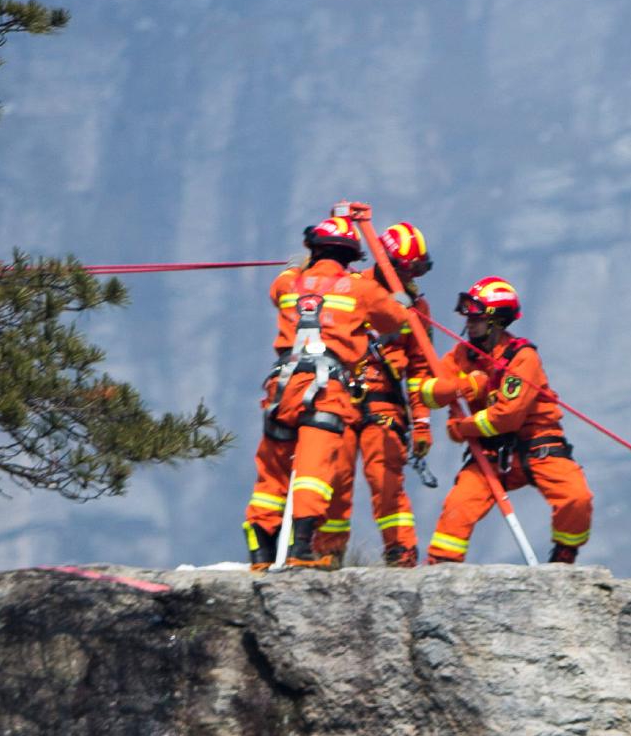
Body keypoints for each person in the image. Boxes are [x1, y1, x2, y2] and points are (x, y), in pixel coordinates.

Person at [244, 214, 411, 570]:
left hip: (282, 387)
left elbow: (280, 286)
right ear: (351, 255)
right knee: (313, 469)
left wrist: (294, 266)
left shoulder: (290, 283)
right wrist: (401, 300)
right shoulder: (360, 289)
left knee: (271, 471)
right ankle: (301, 547)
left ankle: (260, 553)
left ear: (314, 247)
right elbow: (396, 320)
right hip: (326, 389)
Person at [415, 277, 594, 566]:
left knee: (576, 498)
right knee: (458, 506)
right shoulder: (462, 355)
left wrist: (462, 428)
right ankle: (440, 567)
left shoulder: (522, 358)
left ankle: (564, 556)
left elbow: (506, 418)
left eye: (476, 318)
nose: (468, 323)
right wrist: (465, 387)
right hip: (490, 454)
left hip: (540, 446)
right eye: (468, 317)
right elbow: (428, 393)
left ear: (496, 322)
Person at [314, 219, 440, 566]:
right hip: (338, 392)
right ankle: (327, 551)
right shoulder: (349, 287)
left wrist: (423, 422)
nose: (412, 277)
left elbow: (419, 369)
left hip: (384, 399)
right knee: (334, 477)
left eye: (418, 269)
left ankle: (400, 551)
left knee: (385, 478)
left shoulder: (416, 307)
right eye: (407, 268)